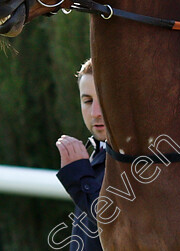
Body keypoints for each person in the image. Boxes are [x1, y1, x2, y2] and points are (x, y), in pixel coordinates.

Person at [55, 59, 106, 251]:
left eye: (104, 99)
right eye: (87, 101)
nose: (95, 113)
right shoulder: (98, 151)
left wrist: (80, 178)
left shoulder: (141, 160)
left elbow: (114, 223)